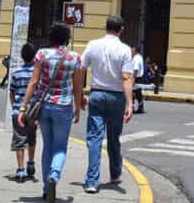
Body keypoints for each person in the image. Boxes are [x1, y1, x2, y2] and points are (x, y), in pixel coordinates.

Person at [18, 24, 83, 203]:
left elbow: (33, 82)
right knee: (60, 146)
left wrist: (23, 107)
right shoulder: (75, 58)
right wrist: (77, 108)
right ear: (67, 38)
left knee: (47, 145)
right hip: (64, 106)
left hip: (44, 105)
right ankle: (54, 175)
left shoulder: (42, 54)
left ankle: (47, 188)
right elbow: (78, 87)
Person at [80, 14, 134, 194]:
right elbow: (126, 78)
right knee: (114, 137)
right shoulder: (125, 50)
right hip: (116, 96)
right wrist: (130, 103)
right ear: (121, 30)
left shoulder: (93, 45)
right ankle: (115, 173)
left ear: (106, 28)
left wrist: (80, 93)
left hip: (96, 94)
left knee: (94, 138)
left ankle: (92, 181)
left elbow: (81, 68)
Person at [9, 43, 38, 183]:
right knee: (32, 138)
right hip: (32, 111)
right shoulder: (37, 74)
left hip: (18, 110)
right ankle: (31, 164)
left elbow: (12, 92)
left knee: (19, 139)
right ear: (35, 57)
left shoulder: (16, 72)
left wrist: (15, 106)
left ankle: (20, 170)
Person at [130, 45, 146, 114]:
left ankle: (133, 108)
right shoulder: (138, 57)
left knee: (132, 93)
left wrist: (133, 79)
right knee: (138, 93)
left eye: (132, 50)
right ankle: (140, 107)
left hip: (136, 77)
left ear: (135, 50)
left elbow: (135, 70)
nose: (130, 51)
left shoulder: (136, 58)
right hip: (138, 77)